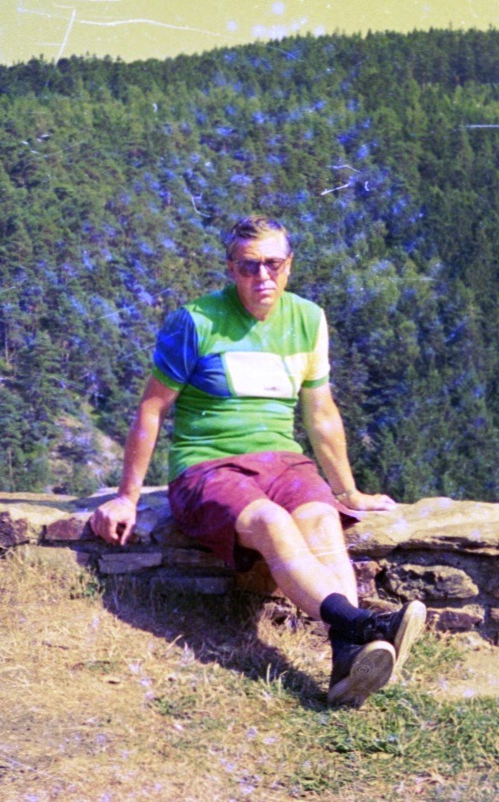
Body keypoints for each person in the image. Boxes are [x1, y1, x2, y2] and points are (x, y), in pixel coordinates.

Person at [90, 215, 425, 708]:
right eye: (249, 266)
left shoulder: (308, 319)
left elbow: (320, 412)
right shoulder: (195, 322)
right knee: (272, 522)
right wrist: (126, 498)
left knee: (321, 518)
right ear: (231, 268)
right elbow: (152, 408)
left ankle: (345, 661)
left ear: (289, 266)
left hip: (284, 461)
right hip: (207, 466)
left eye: (273, 264)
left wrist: (349, 492)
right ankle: (362, 625)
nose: (262, 277)